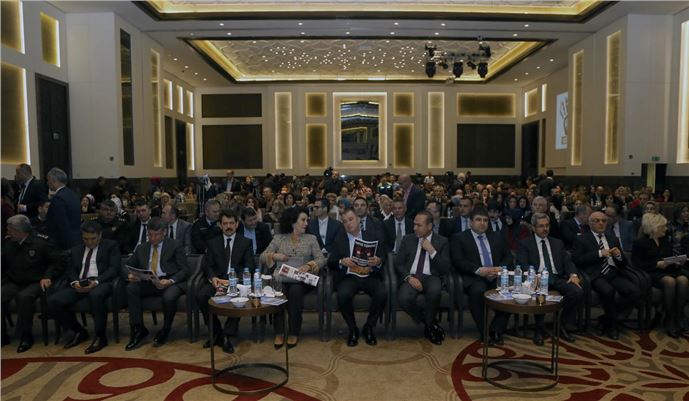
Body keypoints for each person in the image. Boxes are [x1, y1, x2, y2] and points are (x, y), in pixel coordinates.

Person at [47, 221, 120, 354]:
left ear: (100, 235)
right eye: (86, 239)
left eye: (93, 238)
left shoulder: (111, 246)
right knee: (53, 301)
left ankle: (100, 336)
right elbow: (70, 270)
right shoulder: (76, 249)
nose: (89, 242)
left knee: (95, 295)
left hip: (101, 282)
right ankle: (78, 331)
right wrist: (75, 282)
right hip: (81, 283)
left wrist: (96, 282)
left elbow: (114, 269)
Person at [260, 207, 326, 349]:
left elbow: (321, 259)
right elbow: (262, 256)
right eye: (303, 220)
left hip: (302, 280)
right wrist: (275, 256)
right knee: (279, 291)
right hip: (282, 278)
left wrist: (309, 265)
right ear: (292, 222)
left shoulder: (311, 239)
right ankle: (279, 331)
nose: (306, 223)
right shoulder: (279, 238)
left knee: (295, 291)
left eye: (307, 220)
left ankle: (293, 331)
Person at [572, 211, 641, 340]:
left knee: (634, 292)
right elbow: (577, 260)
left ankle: (606, 319)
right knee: (608, 291)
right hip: (595, 275)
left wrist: (618, 256)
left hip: (613, 273)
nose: (601, 223)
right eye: (597, 221)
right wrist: (599, 253)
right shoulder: (581, 239)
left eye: (603, 221)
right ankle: (612, 326)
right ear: (590, 223)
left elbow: (623, 264)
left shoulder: (613, 238)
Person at [516, 213, 583, 345]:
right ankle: (539, 328)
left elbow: (567, 261)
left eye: (547, 226)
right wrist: (534, 276)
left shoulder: (557, 243)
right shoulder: (525, 243)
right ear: (533, 228)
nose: (545, 229)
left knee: (577, 291)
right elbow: (523, 263)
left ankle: (561, 323)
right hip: (537, 278)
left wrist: (573, 275)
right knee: (540, 293)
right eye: (541, 226)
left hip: (557, 277)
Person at [2, 215, 64, 352]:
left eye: (10, 230)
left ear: (19, 231)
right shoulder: (9, 243)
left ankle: (26, 336)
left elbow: (57, 261)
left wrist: (48, 276)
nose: (7, 232)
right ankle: (2, 336)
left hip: (36, 281)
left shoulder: (41, 242)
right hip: (14, 280)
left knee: (24, 297)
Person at [450, 208, 513, 344]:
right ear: (470, 222)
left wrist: (500, 268)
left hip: (497, 276)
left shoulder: (497, 236)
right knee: (478, 291)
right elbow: (458, 261)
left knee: (510, 292)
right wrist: (479, 270)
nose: (482, 223)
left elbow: (508, 256)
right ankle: (484, 331)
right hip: (475, 277)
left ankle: (496, 329)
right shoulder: (459, 238)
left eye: (485, 220)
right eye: (478, 220)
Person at [196, 209, 255, 353]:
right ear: (220, 225)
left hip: (237, 281)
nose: (228, 226)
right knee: (201, 296)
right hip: (217, 280)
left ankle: (227, 335)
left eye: (231, 223)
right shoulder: (212, 243)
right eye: (225, 223)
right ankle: (217, 332)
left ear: (236, 224)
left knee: (239, 297)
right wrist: (213, 278)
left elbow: (249, 266)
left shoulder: (245, 242)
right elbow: (208, 265)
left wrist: (235, 280)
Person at [124, 217, 188, 350]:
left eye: (156, 235)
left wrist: (170, 281)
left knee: (169, 297)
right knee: (131, 288)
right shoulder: (142, 247)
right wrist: (130, 275)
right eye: (150, 235)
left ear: (164, 232)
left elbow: (184, 269)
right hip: (148, 281)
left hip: (169, 281)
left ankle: (165, 329)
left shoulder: (175, 245)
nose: (153, 238)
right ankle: (138, 329)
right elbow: (127, 265)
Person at [328, 208, 387, 346]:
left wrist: (378, 261)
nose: (348, 223)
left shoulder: (373, 236)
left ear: (359, 220)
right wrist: (342, 261)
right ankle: (352, 328)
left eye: (351, 219)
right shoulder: (339, 239)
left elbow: (383, 257)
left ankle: (369, 327)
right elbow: (331, 261)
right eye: (344, 222)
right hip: (350, 276)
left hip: (369, 274)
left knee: (382, 292)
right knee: (343, 294)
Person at [395, 211, 451, 345]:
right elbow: (399, 264)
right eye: (414, 224)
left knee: (435, 291)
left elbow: (445, 268)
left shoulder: (442, 241)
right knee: (404, 298)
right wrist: (409, 278)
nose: (414, 228)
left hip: (432, 276)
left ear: (430, 226)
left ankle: (429, 325)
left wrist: (432, 251)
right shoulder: (408, 239)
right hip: (412, 276)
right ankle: (429, 322)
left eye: (419, 225)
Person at [632, 213, 688, 338]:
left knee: (683, 279)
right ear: (654, 227)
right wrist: (656, 264)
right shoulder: (640, 243)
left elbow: (668, 258)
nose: (666, 229)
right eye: (663, 226)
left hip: (668, 270)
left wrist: (677, 262)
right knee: (670, 281)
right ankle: (669, 319)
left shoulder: (664, 241)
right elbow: (637, 264)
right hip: (651, 272)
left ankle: (678, 316)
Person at [45, 167, 82, 250]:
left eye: (48, 180)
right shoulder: (73, 194)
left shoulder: (58, 198)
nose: (47, 183)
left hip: (63, 242)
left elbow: (60, 224)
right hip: (76, 238)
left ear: (53, 180)